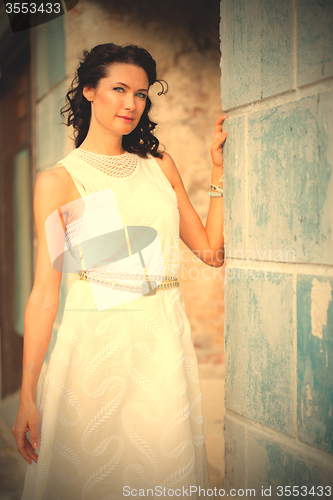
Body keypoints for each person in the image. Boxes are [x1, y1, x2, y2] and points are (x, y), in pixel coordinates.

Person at [12, 43, 227, 500]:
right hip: (94, 347)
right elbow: (45, 294)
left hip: (163, 340)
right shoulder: (60, 181)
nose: (131, 104)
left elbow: (209, 250)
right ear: (89, 91)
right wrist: (28, 393)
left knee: (164, 472)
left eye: (142, 93)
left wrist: (218, 170)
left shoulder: (158, 166)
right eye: (119, 89)